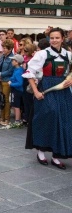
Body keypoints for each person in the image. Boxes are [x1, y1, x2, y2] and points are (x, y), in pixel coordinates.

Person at [24, 28, 72, 169]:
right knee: (47, 117)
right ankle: (41, 151)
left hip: (63, 90)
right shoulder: (42, 54)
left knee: (63, 120)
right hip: (47, 89)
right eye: (52, 37)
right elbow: (29, 73)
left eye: (57, 37)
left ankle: (57, 155)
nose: (54, 40)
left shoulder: (68, 55)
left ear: (62, 39)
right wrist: (36, 91)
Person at [0, 39, 14, 126]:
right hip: (0, 79)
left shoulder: (12, 58)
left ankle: (7, 118)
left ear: (10, 49)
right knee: (0, 99)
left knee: (6, 100)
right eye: (3, 47)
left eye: (5, 48)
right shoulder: (2, 56)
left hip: (7, 80)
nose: (4, 49)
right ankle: (1, 117)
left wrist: (0, 74)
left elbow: (10, 71)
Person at [8, 54, 24, 125]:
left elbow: (20, 83)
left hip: (17, 90)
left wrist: (11, 84)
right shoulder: (18, 69)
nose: (12, 61)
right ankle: (17, 119)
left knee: (16, 105)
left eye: (13, 60)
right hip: (16, 90)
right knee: (14, 104)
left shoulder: (18, 71)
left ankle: (17, 120)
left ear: (17, 62)